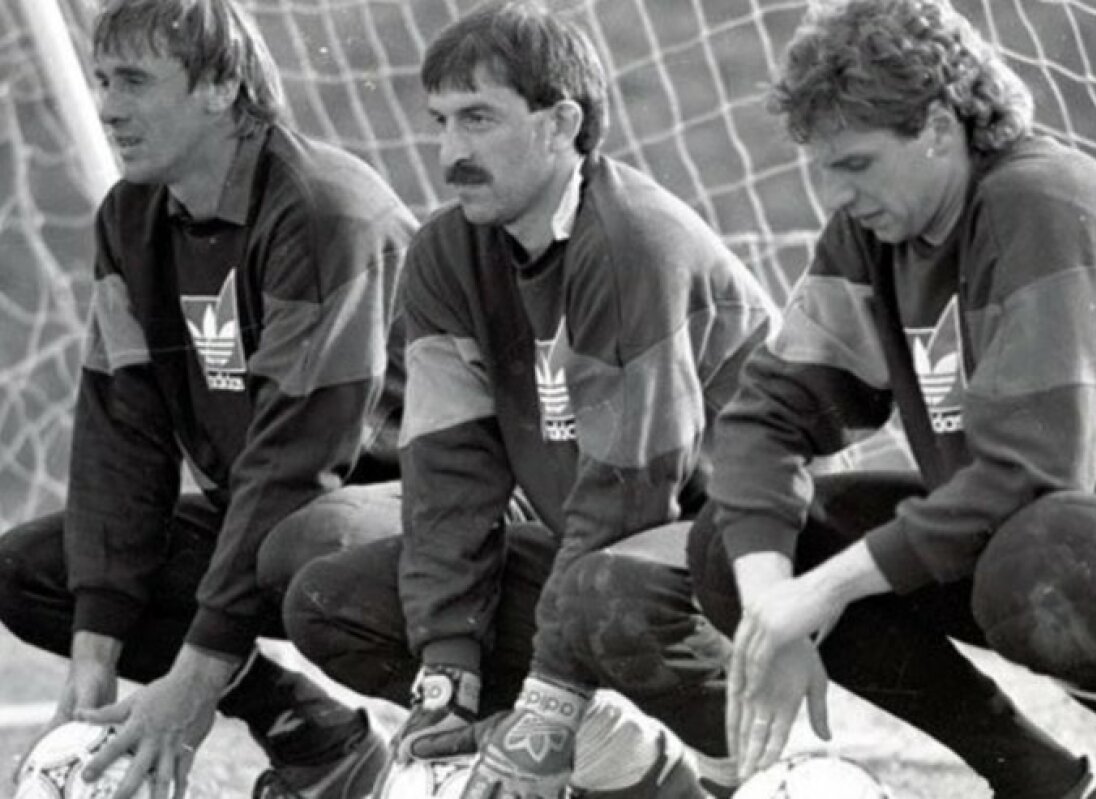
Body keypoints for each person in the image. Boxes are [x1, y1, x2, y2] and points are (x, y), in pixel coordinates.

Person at [689, 0, 1096, 796]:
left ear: (937, 127)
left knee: (1044, 561)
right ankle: (1044, 784)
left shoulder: (1039, 201)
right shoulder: (875, 235)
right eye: (822, 167)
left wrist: (820, 592)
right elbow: (768, 417)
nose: (834, 193)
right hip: (1080, 532)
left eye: (855, 163)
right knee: (733, 546)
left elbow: (1030, 475)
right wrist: (769, 610)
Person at [280, 2, 777, 796]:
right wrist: (448, 672)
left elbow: (630, 497)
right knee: (329, 599)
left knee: (603, 593)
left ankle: (756, 766)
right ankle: (626, 758)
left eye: (478, 118)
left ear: (562, 124)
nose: (450, 152)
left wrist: (548, 697)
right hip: (601, 561)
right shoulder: (448, 254)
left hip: (739, 563)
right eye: (442, 121)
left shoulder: (634, 243)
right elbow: (451, 474)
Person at [0, 1, 419, 797]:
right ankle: (313, 732)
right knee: (36, 569)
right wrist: (92, 665)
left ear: (222, 85)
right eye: (101, 80)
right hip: (290, 520)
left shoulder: (322, 212)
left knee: (303, 546)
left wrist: (191, 688)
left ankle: (485, 733)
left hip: (441, 517)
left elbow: (297, 461)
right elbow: (122, 437)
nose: (107, 106)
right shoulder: (132, 218)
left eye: (133, 81)